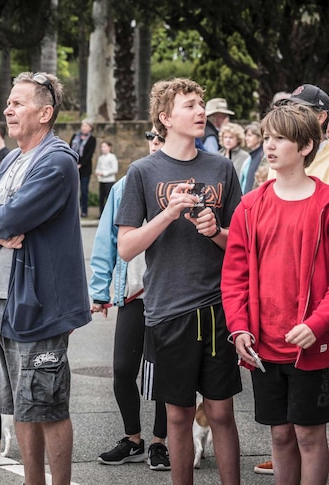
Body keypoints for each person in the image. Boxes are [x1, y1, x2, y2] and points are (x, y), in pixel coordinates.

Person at [0, 72, 91, 485]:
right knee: (21, 405)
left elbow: (12, 215)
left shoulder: (56, 162)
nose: (7, 110)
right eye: (9, 102)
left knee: (47, 404)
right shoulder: (12, 161)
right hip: (0, 299)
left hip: (39, 305)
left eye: (18, 103)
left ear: (45, 112)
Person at [116, 78, 242, 485]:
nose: (200, 110)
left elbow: (239, 245)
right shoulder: (142, 171)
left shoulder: (221, 166)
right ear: (166, 118)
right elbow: (126, 247)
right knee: (178, 413)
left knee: (222, 412)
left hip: (218, 308)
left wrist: (214, 231)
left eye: (201, 103)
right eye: (190, 105)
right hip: (168, 310)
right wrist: (168, 213)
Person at [223, 103, 329, 485]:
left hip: (312, 346)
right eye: (267, 137)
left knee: (309, 435)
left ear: (305, 147)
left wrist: (317, 323)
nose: (269, 145)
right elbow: (234, 277)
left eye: (280, 138)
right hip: (263, 345)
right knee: (281, 434)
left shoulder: (326, 204)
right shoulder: (249, 207)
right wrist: (239, 328)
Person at [89, 129, 170, 471]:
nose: (157, 141)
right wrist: (99, 289)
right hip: (132, 293)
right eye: (153, 135)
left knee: (165, 376)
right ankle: (133, 438)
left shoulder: (184, 184)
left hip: (170, 297)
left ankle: (160, 443)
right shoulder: (126, 184)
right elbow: (107, 238)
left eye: (163, 137)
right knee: (123, 370)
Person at [70, 119, 96, 217]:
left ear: (90, 128)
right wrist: (73, 163)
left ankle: (84, 211)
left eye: (86, 126)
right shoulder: (75, 136)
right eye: (83, 125)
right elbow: (69, 149)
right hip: (73, 167)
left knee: (84, 190)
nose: (83, 128)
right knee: (73, 190)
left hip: (85, 168)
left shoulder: (92, 139)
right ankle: (73, 210)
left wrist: (80, 164)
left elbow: (89, 154)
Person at [95, 140, 118, 212]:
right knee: (101, 198)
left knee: (109, 198)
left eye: (104, 147)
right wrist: (98, 172)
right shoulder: (100, 158)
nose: (103, 148)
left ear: (109, 147)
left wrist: (104, 173)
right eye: (102, 147)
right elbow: (98, 167)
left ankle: (110, 212)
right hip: (102, 180)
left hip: (109, 180)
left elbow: (114, 169)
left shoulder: (112, 157)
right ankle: (101, 213)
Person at [241, 122, 264, 194]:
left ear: (259, 137)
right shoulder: (249, 158)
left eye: (249, 135)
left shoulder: (263, 156)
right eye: (246, 136)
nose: (246, 138)